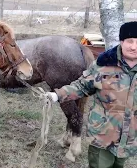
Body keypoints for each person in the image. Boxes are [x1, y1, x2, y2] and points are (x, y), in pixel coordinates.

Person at [46, 21, 137, 168]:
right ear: (122, 41)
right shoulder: (104, 65)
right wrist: (57, 95)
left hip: (130, 138)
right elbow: (82, 86)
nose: (134, 46)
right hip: (103, 137)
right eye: (130, 41)